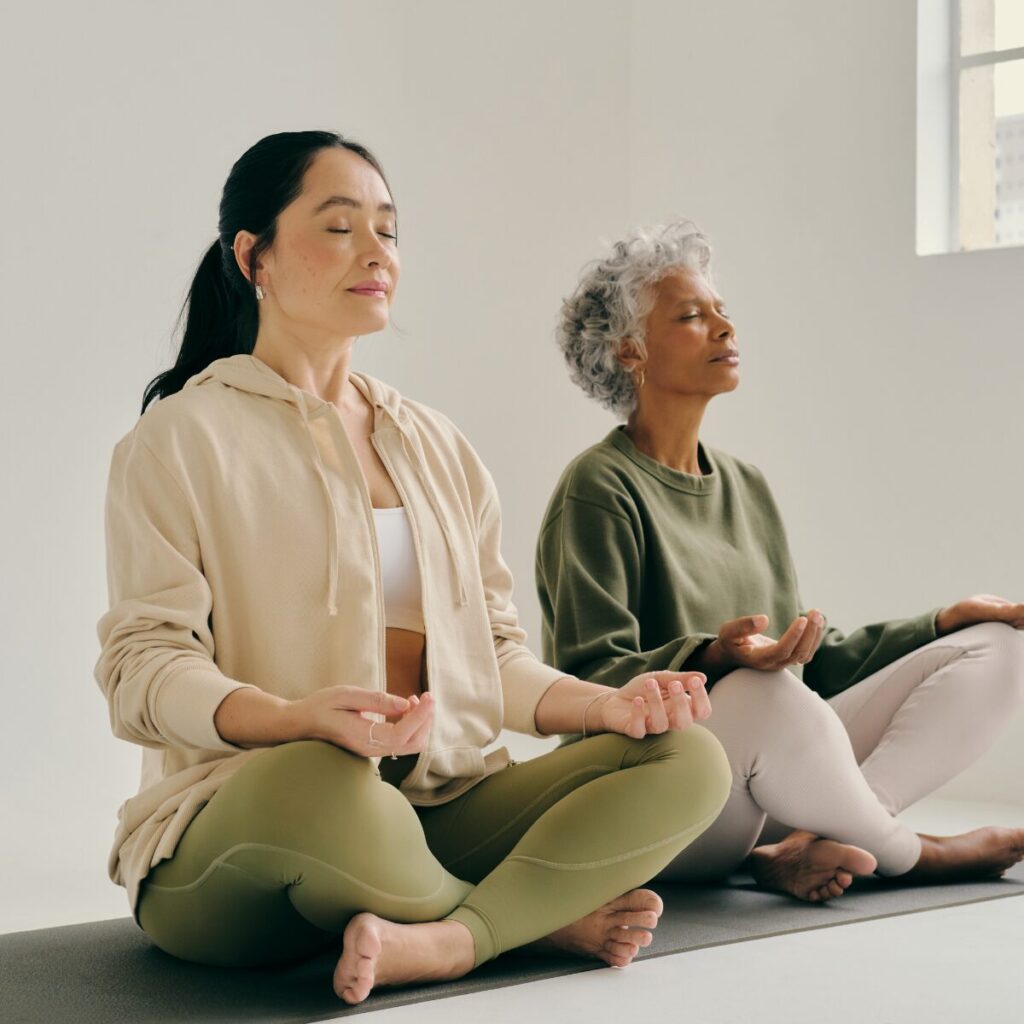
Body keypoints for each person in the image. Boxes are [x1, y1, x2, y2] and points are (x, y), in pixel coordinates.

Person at [93, 134, 734, 1006]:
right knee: (328, 780)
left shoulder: (436, 445)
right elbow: (143, 670)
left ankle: (445, 938)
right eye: (339, 225)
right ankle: (522, 923)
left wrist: (608, 707)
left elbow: (496, 657)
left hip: (435, 812)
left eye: (388, 231)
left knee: (685, 756)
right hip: (244, 835)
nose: (375, 253)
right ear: (254, 257)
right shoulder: (176, 441)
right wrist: (289, 719)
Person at [536, 220, 1024, 903]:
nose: (724, 330)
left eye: (722, 313)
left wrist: (943, 620)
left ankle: (821, 842)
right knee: (763, 693)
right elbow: (587, 679)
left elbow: (809, 662)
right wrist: (715, 658)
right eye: (691, 316)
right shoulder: (597, 488)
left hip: (775, 774)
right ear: (629, 353)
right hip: (662, 793)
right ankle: (912, 855)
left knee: (996, 647)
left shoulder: (748, 485)